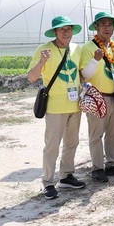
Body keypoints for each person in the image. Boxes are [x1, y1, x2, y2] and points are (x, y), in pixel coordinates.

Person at [27, 15, 86, 199]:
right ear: (55, 32)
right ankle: (48, 182)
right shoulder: (44, 49)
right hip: (55, 106)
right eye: (62, 29)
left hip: (75, 105)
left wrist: (86, 90)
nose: (66, 32)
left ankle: (67, 176)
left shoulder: (77, 49)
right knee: (52, 145)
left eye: (68, 29)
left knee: (72, 142)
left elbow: (80, 74)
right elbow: (31, 77)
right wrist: (42, 62)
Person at [80, 12, 114, 182]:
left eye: (110, 25)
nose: (107, 28)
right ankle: (98, 167)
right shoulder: (88, 48)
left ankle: (113, 163)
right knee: (96, 134)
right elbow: (84, 73)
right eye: (103, 25)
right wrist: (95, 60)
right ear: (96, 27)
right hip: (97, 97)